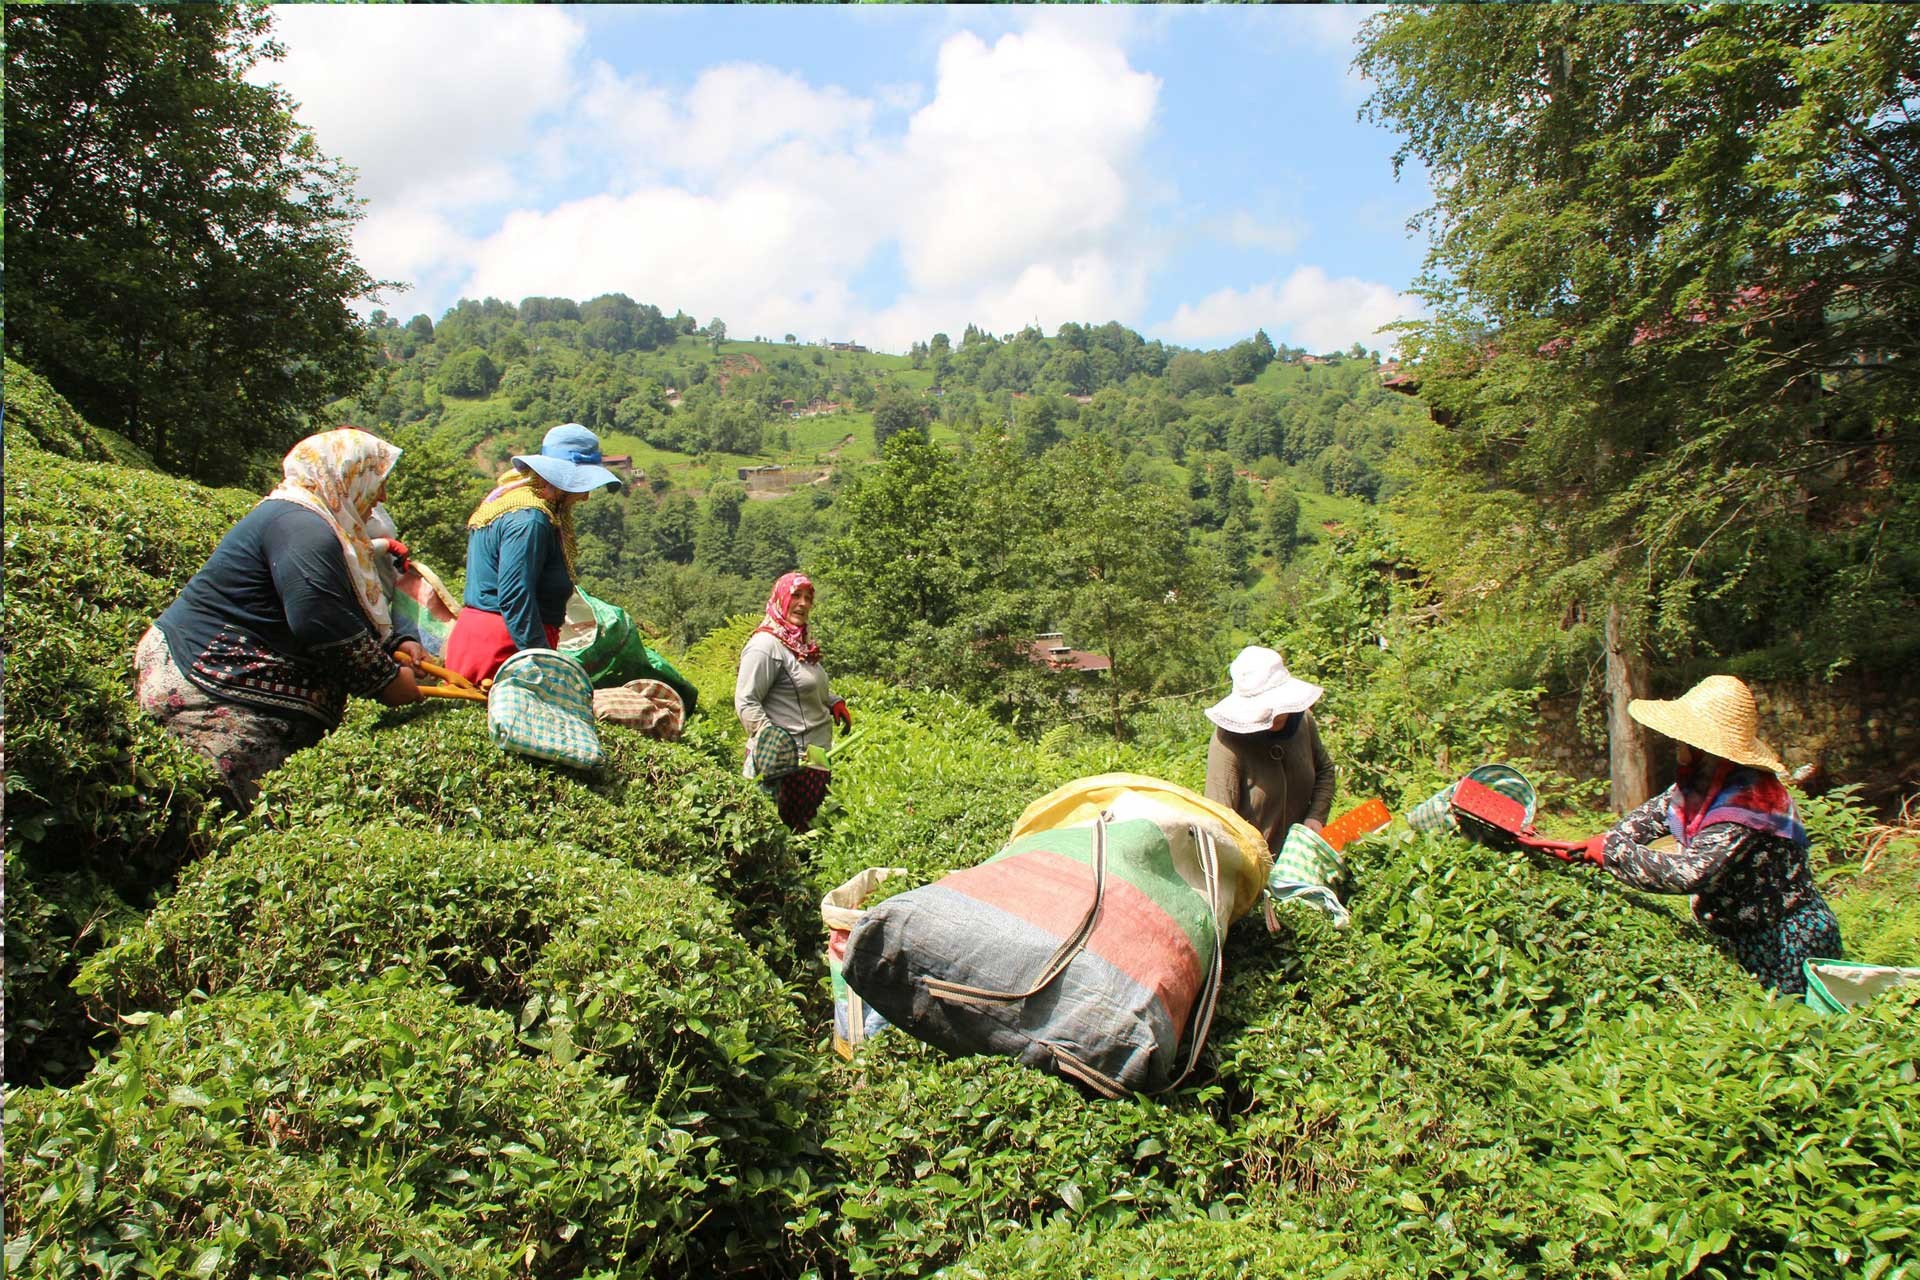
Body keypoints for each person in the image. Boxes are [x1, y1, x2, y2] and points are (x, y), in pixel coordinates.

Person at [135, 427, 424, 810]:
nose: (381, 496)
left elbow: (338, 601)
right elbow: (317, 618)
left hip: (221, 679)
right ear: (345, 477)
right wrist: (385, 682)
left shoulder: (320, 525)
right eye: (376, 482)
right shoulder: (302, 525)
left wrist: (394, 644)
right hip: (209, 685)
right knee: (208, 813)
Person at [1574, 674, 1841, 996]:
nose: (1677, 745)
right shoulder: (1698, 786)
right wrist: (1585, 848)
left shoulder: (1749, 801)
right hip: (1735, 934)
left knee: (1784, 1033)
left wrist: (1612, 853)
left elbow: (1691, 872)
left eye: (1683, 739)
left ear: (1702, 747)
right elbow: (1639, 825)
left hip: (1785, 940)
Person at [443, 423, 623, 686]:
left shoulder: (510, 502)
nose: (585, 497)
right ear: (563, 481)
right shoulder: (530, 520)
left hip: (494, 639)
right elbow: (515, 596)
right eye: (583, 485)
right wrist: (544, 664)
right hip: (504, 649)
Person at [735, 571, 851, 832]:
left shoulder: (801, 643)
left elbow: (805, 688)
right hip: (785, 766)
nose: (803, 603)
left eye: (808, 597)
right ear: (780, 599)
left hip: (815, 757)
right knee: (781, 836)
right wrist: (773, 742)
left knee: (810, 833)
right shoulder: (765, 646)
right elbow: (746, 701)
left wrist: (832, 701)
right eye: (795, 596)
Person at [1203, 645, 1336, 852]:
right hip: (1253, 870)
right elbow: (1219, 824)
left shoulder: (1303, 722)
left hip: (1303, 859)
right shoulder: (1227, 742)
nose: (1274, 717)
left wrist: (1315, 817)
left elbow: (1325, 771)